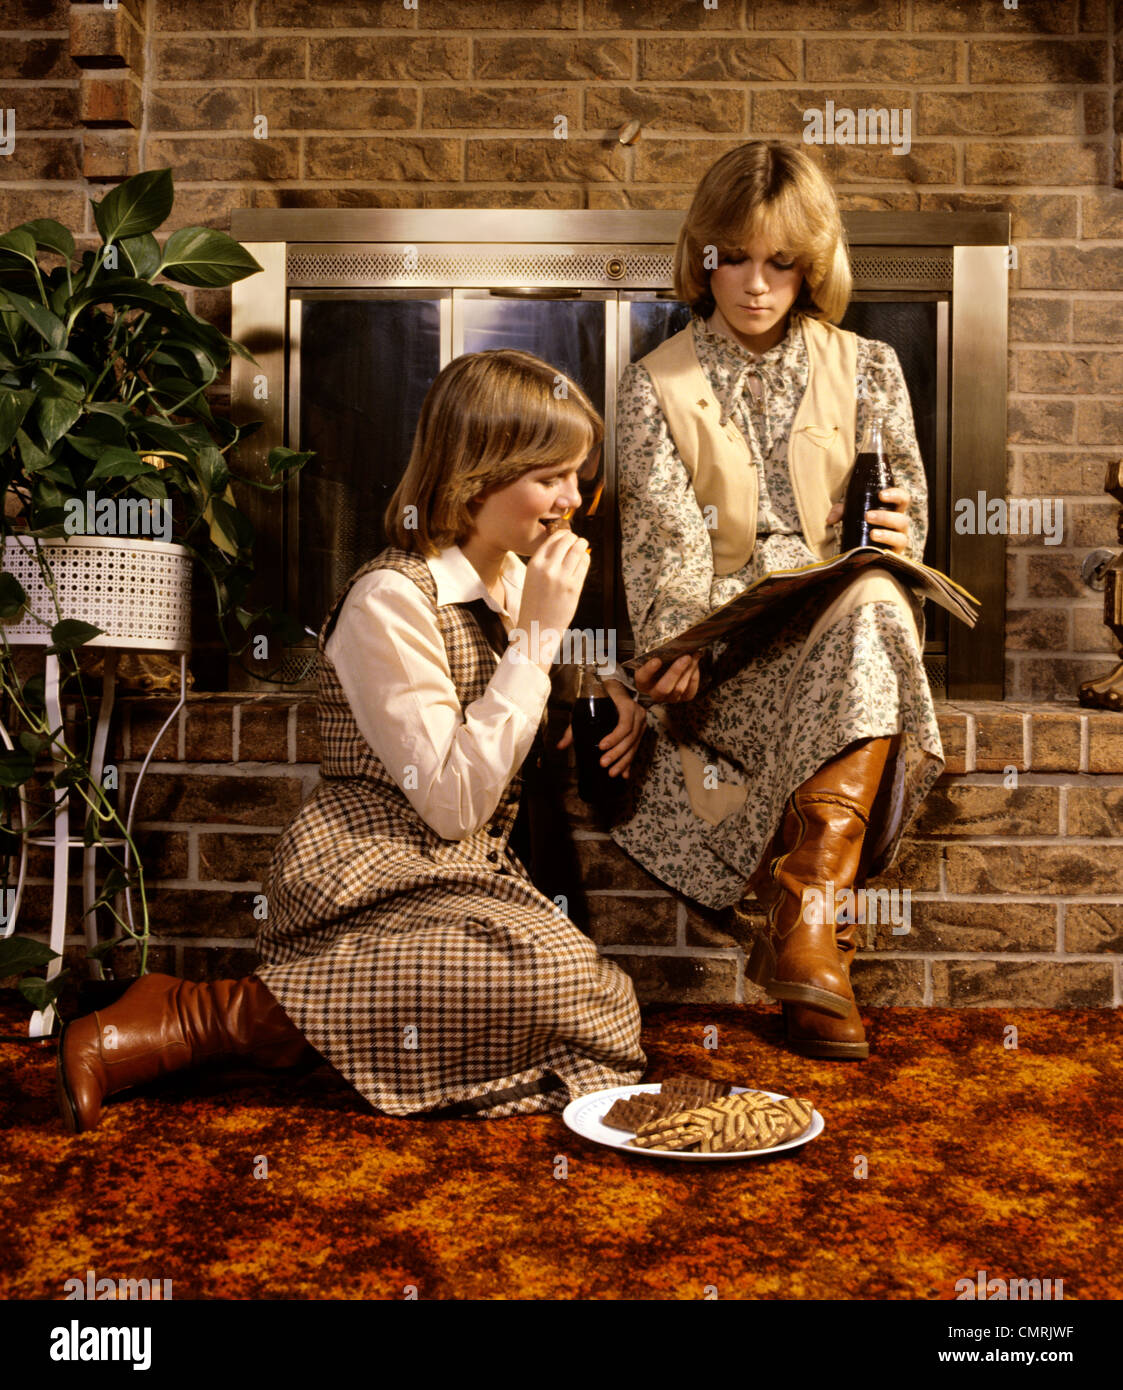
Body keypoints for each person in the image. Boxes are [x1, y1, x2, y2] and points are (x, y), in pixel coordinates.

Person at [57, 350, 647, 1133]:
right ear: (477, 472)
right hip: (369, 867)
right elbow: (448, 801)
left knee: (603, 1002)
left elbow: (517, 696)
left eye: (581, 476)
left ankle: (296, 1028)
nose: (572, 501)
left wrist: (612, 682)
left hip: (464, 872)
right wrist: (536, 642)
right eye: (552, 478)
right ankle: (211, 1016)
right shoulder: (389, 599)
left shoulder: (509, 582)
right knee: (552, 981)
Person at [609, 140, 945, 1061]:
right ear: (702, 256)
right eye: (733, 258)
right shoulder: (653, 386)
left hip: (844, 629)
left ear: (812, 264)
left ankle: (802, 914)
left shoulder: (870, 367)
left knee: (876, 596)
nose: (755, 284)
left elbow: (898, 531)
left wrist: (887, 536)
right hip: (729, 660)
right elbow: (664, 554)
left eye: (781, 261)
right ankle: (812, 934)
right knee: (871, 631)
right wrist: (678, 649)